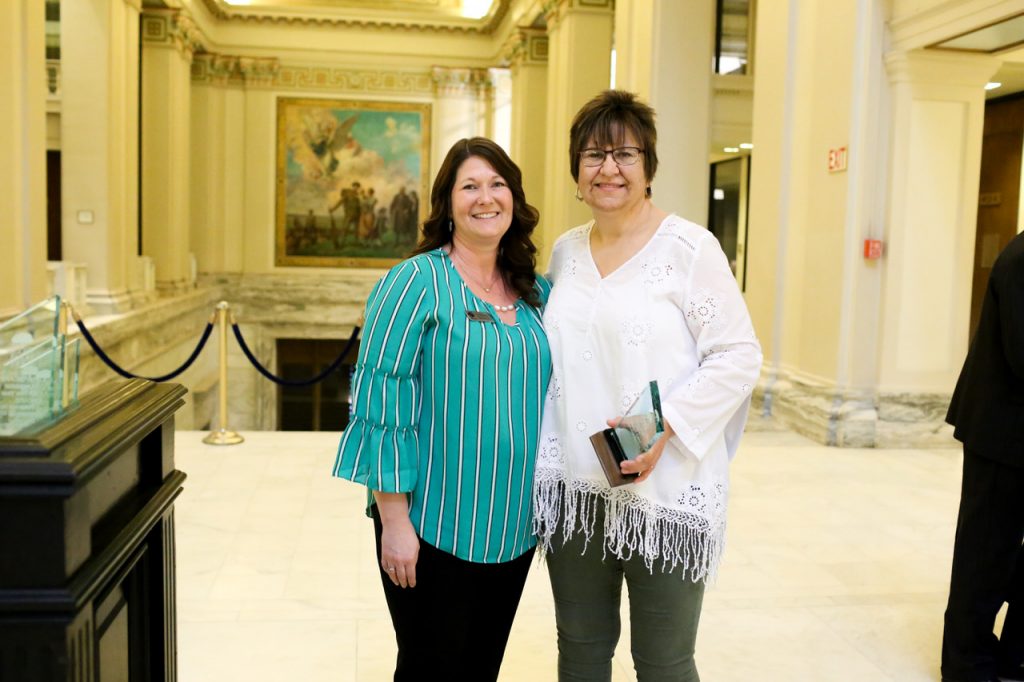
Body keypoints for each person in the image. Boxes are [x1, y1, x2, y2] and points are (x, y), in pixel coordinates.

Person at [533, 90, 762, 681]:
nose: (608, 168)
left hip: (665, 491)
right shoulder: (565, 252)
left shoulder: (689, 249)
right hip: (576, 489)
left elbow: (738, 354)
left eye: (625, 154)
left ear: (649, 167)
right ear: (575, 173)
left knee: (663, 661)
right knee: (580, 652)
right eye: (592, 155)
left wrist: (662, 428)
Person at [332, 137, 551, 681]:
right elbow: (383, 404)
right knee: (431, 669)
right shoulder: (414, 282)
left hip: (513, 528)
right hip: (432, 526)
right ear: (447, 203)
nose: (485, 197)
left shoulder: (536, 292)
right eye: (469, 186)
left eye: (497, 184)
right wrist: (394, 521)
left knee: (481, 670)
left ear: (514, 199)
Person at [942, 230, 1024, 682]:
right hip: (1001, 433)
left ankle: (1013, 657)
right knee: (983, 556)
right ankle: (965, 666)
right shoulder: (1022, 258)